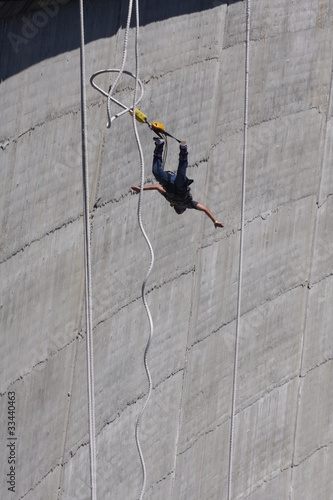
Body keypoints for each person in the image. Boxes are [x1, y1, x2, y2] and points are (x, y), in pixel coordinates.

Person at [131, 138, 224, 228]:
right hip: (181, 188)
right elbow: (205, 209)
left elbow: (157, 187)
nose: (177, 211)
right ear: (181, 209)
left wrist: (142, 189)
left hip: (169, 183)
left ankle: (159, 145)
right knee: (181, 172)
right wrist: (214, 220)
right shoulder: (188, 204)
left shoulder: (170, 199)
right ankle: (183, 150)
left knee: (156, 172)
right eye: (179, 211)